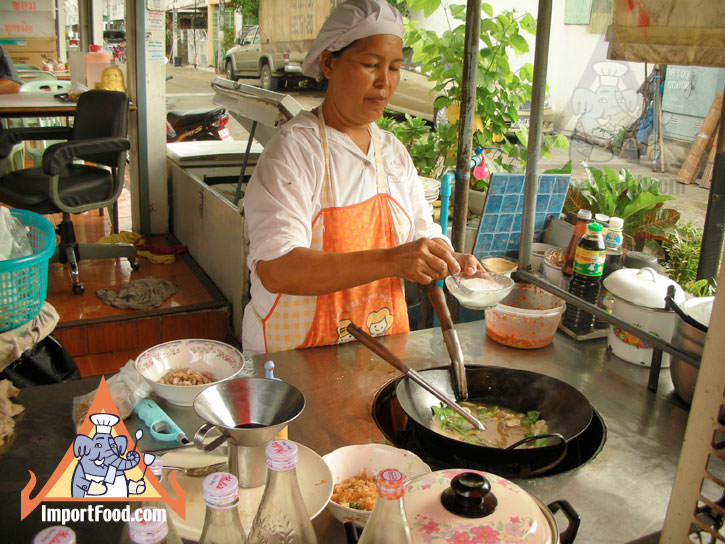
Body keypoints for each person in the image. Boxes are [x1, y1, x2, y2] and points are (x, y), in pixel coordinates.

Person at [242, 0, 482, 355]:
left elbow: (420, 231)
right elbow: (278, 269)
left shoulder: (392, 153)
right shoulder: (294, 150)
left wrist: (448, 257)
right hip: (292, 364)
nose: (385, 82)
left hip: (380, 356)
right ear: (329, 63)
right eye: (371, 65)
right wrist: (391, 260)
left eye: (396, 67)